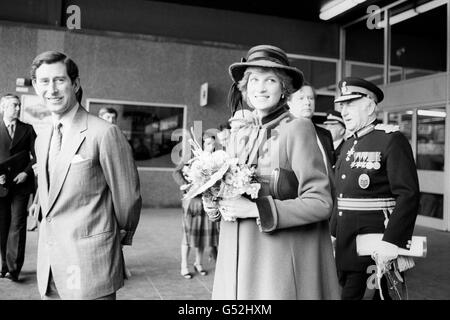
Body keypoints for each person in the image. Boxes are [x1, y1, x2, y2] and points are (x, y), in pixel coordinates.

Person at [212, 45, 340, 300]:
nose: (260, 88)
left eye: (270, 80)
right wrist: (214, 203)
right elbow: (232, 192)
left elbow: (321, 202)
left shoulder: (298, 128)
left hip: (274, 268)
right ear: (245, 89)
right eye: (254, 80)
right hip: (236, 262)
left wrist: (255, 209)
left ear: (284, 88)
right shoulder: (241, 134)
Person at [30, 51, 142, 300]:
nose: (52, 89)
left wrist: (111, 244)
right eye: (44, 82)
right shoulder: (42, 139)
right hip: (50, 269)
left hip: (91, 266)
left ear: (75, 84)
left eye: (59, 80)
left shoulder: (104, 133)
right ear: (36, 87)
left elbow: (128, 199)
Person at [330, 77, 420, 300]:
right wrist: (333, 233)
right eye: (342, 105)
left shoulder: (391, 140)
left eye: (350, 104)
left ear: (370, 106)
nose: (343, 111)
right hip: (346, 242)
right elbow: (341, 197)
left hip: (376, 245)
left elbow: (408, 195)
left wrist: (392, 240)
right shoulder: (350, 142)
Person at [0, 93, 37, 281]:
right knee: (2, 226)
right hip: (1, 186)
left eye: (18, 105)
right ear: (3, 107)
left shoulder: (28, 129)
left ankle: (13, 270)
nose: (17, 108)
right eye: (13, 105)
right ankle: (4, 266)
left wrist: (26, 173)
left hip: (22, 185)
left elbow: (37, 157)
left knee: (17, 225)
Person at [172, 133, 219, 279]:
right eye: (207, 143)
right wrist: (184, 185)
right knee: (188, 235)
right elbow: (176, 172)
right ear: (201, 144)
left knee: (202, 235)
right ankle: (184, 266)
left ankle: (198, 263)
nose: (210, 146)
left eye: (212, 143)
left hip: (206, 201)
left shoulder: (215, 160)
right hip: (191, 201)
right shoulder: (190, 158)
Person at [288, 82, 336, 167]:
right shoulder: (275, 132)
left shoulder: (325, 135)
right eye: (301, 98)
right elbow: (267, 174)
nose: (307, 102)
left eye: (311, 98)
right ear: (289, 103)